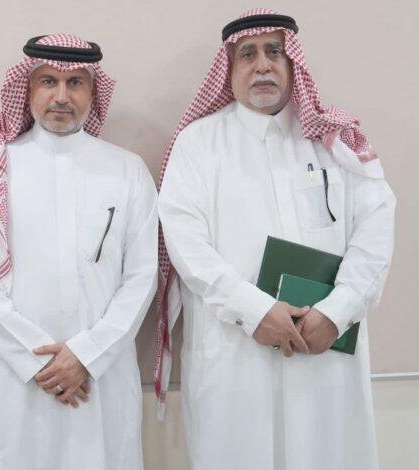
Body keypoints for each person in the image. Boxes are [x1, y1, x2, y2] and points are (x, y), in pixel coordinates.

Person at [155, 9, 395, 470]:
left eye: (275, 52)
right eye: (248, 54)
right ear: (229, 69)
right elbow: (186, 244)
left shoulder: (335, 142)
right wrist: (255, 310)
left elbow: (376, 228)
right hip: (236, 358)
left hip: (325, 350)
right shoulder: (198, 144)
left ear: (292, 64)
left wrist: (338, 310)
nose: (263, 64)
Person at [0, 34, 158, 469]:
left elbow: (141, 278)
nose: (61, 96)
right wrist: (37, 360)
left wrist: (87, 354)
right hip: (18, 379)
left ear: (93, 93)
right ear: (27, 89)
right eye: (48, 81)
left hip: (100, 376)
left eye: (75, 83)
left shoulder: (127, 170)